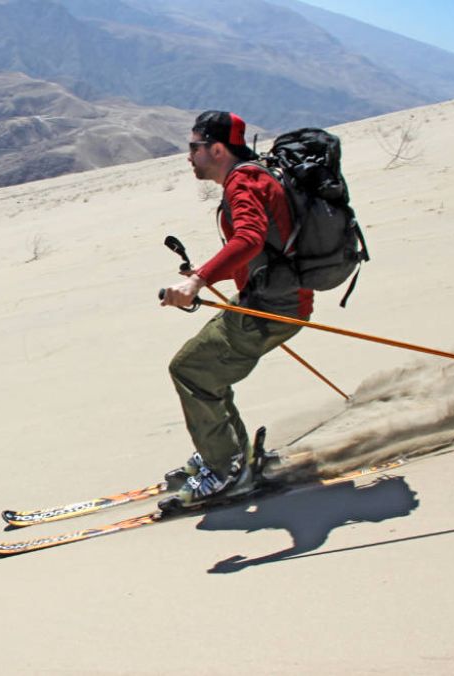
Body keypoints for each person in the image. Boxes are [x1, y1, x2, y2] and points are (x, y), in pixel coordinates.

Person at [157, 110, 314, 511]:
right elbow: (264, 249)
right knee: (206, 370)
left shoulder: (244, 182)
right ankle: (228, 453)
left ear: (217, 148)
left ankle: (226, 468)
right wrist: (210, 276)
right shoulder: (254, 175)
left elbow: (249, 238)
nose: (189, 156)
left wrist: (197, 281)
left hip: (271, 307)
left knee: (191, 370)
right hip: (272, 299)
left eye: (194, 147)